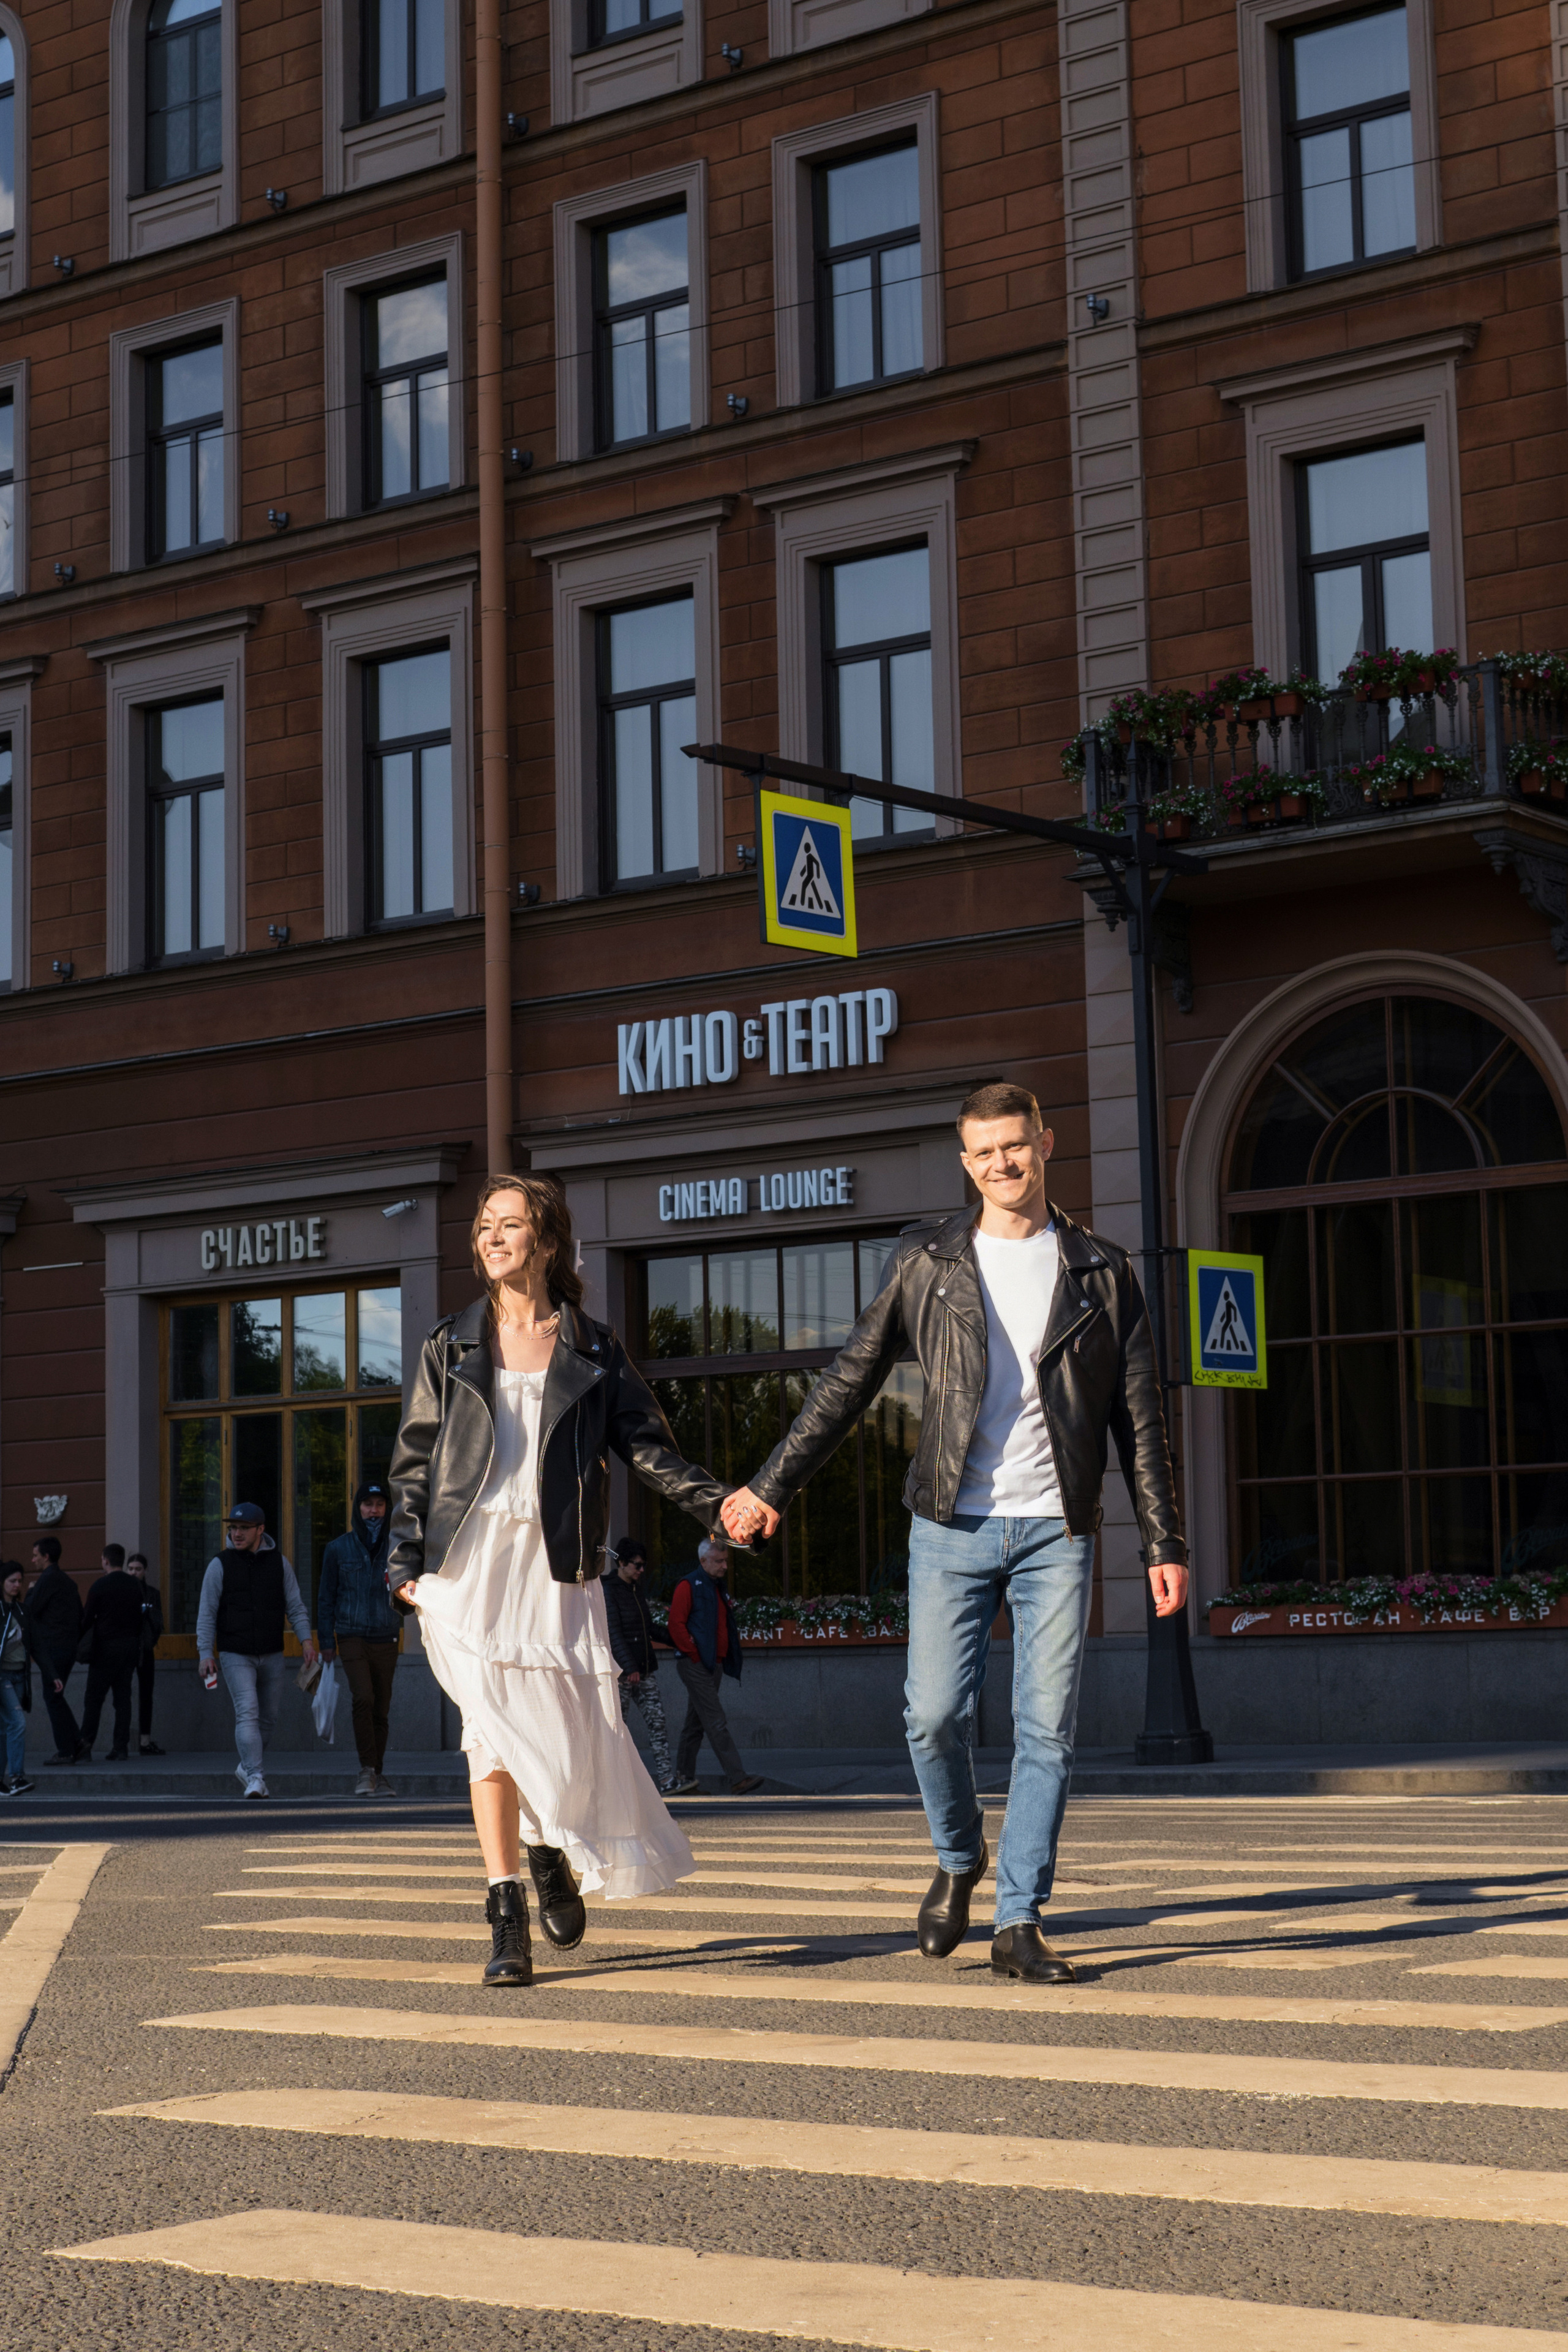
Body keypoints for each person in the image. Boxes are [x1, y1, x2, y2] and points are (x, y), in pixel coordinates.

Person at [722, 1079, 1189, 1985]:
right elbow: (849, 1380)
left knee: (1045, 1729)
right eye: (983, 1153)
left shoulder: (1102, 1269)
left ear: (1046, 1144)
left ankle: (1020, 1920)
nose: (1002, 1165)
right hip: (950, 1523)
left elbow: (1141, 1417)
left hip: (1058, 1527)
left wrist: (1163, 1543)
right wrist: (773, 1483)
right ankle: (958, 1854)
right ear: (966, 1162)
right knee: (933, 1717)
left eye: (1015, 1146)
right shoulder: (926, 1261)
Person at [387, 1173, 726, 1989]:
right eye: (483, 1227)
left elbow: (647, 1446)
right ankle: (506, 1915)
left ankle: (548, 1854)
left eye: (508, 1226)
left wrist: (719, 1502)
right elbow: (416, 1460)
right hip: (470, 1564)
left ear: (545, 1241)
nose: (490, 1238)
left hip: (558, 1564)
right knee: (491, 1735)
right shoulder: (450, 1344)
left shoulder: (594, 1348)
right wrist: (402, 1558)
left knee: (567, 1735)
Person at [197, 1502, 318, 1800]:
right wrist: (205, 1653)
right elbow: (207, 1613)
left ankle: (247, 1765)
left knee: (269, 1719)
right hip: (235, 1653)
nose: (237, 1534)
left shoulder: (279, 1563)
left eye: (244, 1528)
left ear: (260, 1530)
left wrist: (306, 1642)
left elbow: (296, 1606)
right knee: (248, 1713)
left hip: (272, 1652)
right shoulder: (220, 1564)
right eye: (233, 1528)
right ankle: (255, 1777)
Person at [318, 1481, 402, 1798]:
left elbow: (408, 1590)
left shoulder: (396, 1547)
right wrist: (327, 1641)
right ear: (358, 1508)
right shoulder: (339, 1549)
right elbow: (326, 1598)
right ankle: (366, 1769)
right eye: (368, 1504)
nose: (373, 1511)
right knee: (363, 1697)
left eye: (379, 1505)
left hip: (386, 1634)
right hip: (351, 1634)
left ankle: (377, 1773)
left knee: (381, 1707)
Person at [666, 1538, 763, 1796]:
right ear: (704, 1561)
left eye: (726, 1561)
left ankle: (683, 1779)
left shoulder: (716, 1586)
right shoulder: (689, 1585)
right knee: (715, 1721)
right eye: (719, 1562)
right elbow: (676, 1624)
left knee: (695, 1724)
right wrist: (694, 1654)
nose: (724, 1567)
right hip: (697, 1663)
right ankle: (738, 1777)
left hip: (711, 1664)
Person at [602, 1538, 676, 1795]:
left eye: (643, 1566)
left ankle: (667, 1779)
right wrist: (629, 1666)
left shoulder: (634, 1590)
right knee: (617, 1728)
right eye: (637, 1565)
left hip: (643, 1670)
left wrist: (676, 1637)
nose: (641, 1570)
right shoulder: (609, 1590)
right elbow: (614, 1633)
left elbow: (646, 1629)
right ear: (621, 1563)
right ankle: (615, 1783)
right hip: (624, 1674)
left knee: (658, 1723)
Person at [78, 1544, 146, 1762]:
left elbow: (87, 1618)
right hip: (129, 1648)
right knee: (123, 1699)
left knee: (94, 1699)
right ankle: (121, 1748)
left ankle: (85, 1746)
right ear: (122, 1561)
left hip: (105, 1648)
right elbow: (140, 1617)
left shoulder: (100, 1585)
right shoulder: (135, 1585)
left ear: (105, 1560)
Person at [1, 1560, 62, 1796]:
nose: (17, 1585)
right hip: (2, 1677)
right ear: (2, 1582)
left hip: (19, 1676)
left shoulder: (23, 1611)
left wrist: (53, 1675)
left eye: (19, 1581)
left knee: (5, 1730)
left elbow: (37, 1646)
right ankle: (16, 1778)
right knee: (17, 1723)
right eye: (12, 1581)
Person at [23, 1537, 87, 1765]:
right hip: (68, 1649)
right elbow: (81, 1618)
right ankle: (77, 1742)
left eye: (35, 1555)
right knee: (55, 1696)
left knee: (52, 1697)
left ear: (46, 1557)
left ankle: (66, 1750)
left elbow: (28, 1613)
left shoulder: (46, 1580)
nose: (33, 1560)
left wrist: (30, 1591)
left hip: (53, 1650)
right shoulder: (68, 1583)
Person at [126, 1553, 165, 1756]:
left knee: (146, 1695)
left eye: (138, 1569)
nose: (133, 1572)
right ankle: (121, 1742)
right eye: (130, 1569)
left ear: (145, 1571)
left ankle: (145, 1741)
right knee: (123, 1694)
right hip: (126, 1649)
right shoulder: (121, 1592)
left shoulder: (152, 1594)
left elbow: (158, 1622)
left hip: (146, 1649)